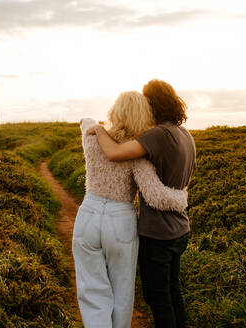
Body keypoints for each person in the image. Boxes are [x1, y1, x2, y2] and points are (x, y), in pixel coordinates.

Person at [74, 90, 189, 328]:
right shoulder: (138, 155)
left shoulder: (92, 139)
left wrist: (94, 125)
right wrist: (182, 197)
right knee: (122, 292)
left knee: (91, 289)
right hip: (119, 220)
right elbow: (156, 196)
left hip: (88, 214)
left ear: (115, 111)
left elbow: (85, 122)